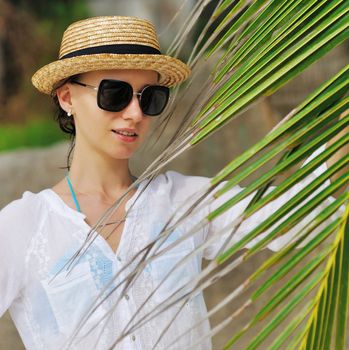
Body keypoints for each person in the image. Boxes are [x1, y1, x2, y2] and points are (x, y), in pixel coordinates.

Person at [0, 16, 339, 350]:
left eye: (150, 98)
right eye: (115, 94)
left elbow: (289, 219)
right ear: (67, 97)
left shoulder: (184, 201)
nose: (135, 113)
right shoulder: (23, 228)